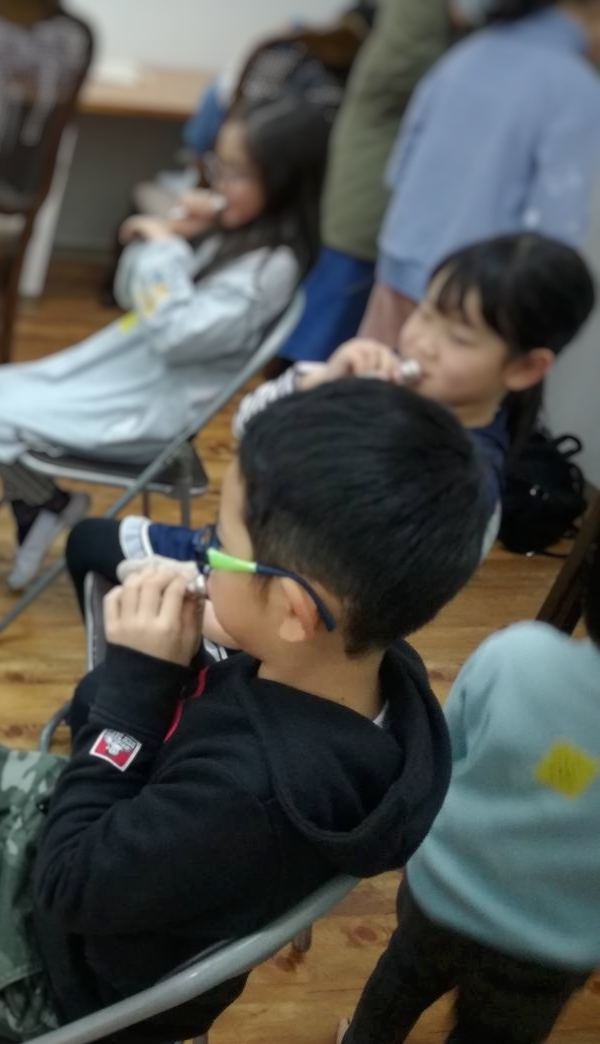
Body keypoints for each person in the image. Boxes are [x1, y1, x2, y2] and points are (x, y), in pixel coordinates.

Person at [0, 381, 493, 1044]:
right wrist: (209, 649)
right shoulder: (369, 669)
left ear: (295, 611)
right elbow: (115, 744)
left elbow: (69, 882)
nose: (204, 557)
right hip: (112, 840)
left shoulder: (249, 798)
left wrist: (139, 679)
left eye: (220, 546)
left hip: (56, 962)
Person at [67, 232, 597, 611]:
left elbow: (343, 606)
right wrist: (320, 383)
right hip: (242, 562)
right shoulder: (391, 391)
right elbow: (249, 428)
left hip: (266, 606)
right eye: (426, 313)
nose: (423, 343)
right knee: (90, 541)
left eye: (458, 337)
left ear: (526, 368)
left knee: (93, 553)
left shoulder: (457, 481)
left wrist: (207, 610)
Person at [0, 98, 331, 591]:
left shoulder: (270, 268)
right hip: (127, 377)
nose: (220, 184)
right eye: (219, 167)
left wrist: (165, 245)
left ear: (286, 183)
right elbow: (134, 294)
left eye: (238, 174)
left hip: (146, 409)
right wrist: (177, 235)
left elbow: (178, 332)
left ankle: (45, 504)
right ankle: (44, 504)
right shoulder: (236, 237)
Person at [329, 559, 600, 1044]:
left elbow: (444, 756)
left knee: (403, 975)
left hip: (445, 885)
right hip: (552, 945)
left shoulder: (516, 654)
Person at [362, 0, 600, 347]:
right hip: (478, 309)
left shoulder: (466, 55)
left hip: (398, 268)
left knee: (370, 376)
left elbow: (398, 170)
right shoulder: (576, 89)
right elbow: (556, 234)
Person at [282, 0, 457, 363]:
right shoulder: (413, 61)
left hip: (366, 213)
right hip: (368, 221)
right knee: (324, 353)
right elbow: (406, 67)